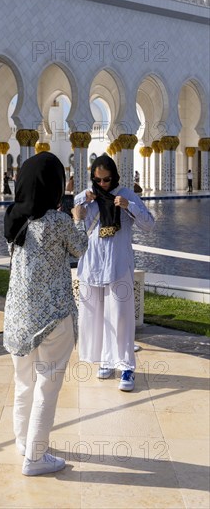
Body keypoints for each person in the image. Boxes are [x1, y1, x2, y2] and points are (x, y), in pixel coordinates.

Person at [3, 152, 87, 476]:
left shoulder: (14, 219)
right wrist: (78, 217)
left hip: (18, 318)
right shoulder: (59, 221)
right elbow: (80, 248)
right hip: (53, 317)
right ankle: (35, 459)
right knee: (47, 386)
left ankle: (24, 442)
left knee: (23, 382)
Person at [75, 155, 154, 392]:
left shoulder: (127, 195)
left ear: (114, 177)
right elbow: (74, 221)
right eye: (97, 180)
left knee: (120, 317)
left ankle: (127, 366)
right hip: (93, 266)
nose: (102, 184)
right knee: (96, 317)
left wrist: (129, 207)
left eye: (106, 180)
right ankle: (106, 360)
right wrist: (80, 205)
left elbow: (150, 225)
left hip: (118, 266)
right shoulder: (87, 196)